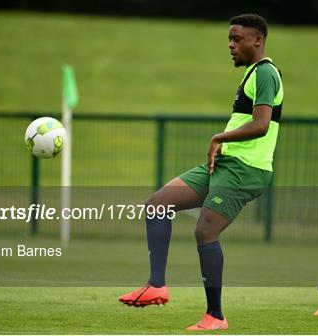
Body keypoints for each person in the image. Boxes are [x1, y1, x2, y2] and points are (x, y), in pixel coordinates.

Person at [119, 13, 283, 330]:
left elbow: (261, 125)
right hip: (224, 165)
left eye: (237, 39)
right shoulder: (252, 74)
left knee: (205, 231)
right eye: (229, 39)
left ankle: (216, 316)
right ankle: (156, 285)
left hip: (245, 170)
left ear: (257, 40)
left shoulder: (266, 73)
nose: (231, 45)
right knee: (157, 204)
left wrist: (218, 138)